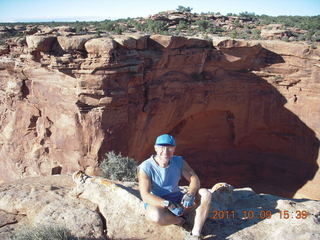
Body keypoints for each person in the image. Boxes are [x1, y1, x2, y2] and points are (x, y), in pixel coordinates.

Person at [138, 134, 212, 240]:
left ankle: (195, 234)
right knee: (155, 216)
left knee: (206, 194)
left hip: (178, 199)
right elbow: (145, 195)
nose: (165, 151)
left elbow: (194, 178)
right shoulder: (145, 167)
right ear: (155, 148)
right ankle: (181, 221)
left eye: (169, 148)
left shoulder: (178, 161)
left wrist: (190, 193)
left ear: (174, 149)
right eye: (162, 147)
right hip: (158, 204)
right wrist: (167, 204)